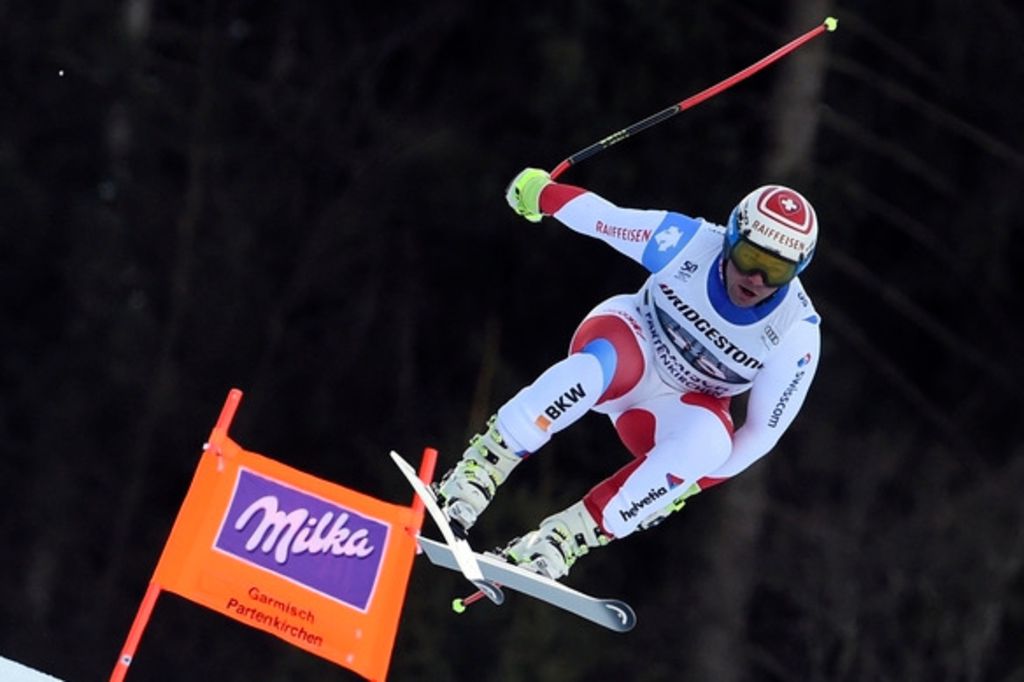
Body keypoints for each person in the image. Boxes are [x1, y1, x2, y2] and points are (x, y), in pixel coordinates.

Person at [435, 167, 822, 581]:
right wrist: (539, 194)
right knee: (589, 371)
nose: (756, 280)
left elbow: (762, 433)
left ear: (797, 270)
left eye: (776, 272)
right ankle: (480, 471)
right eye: (749, 258)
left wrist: (686, 483)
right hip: (630, 348)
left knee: (712, 444)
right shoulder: (689, 242)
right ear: (729, 240)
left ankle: (565, 538)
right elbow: (605, 219)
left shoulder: (796, 331)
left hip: (672, 411)